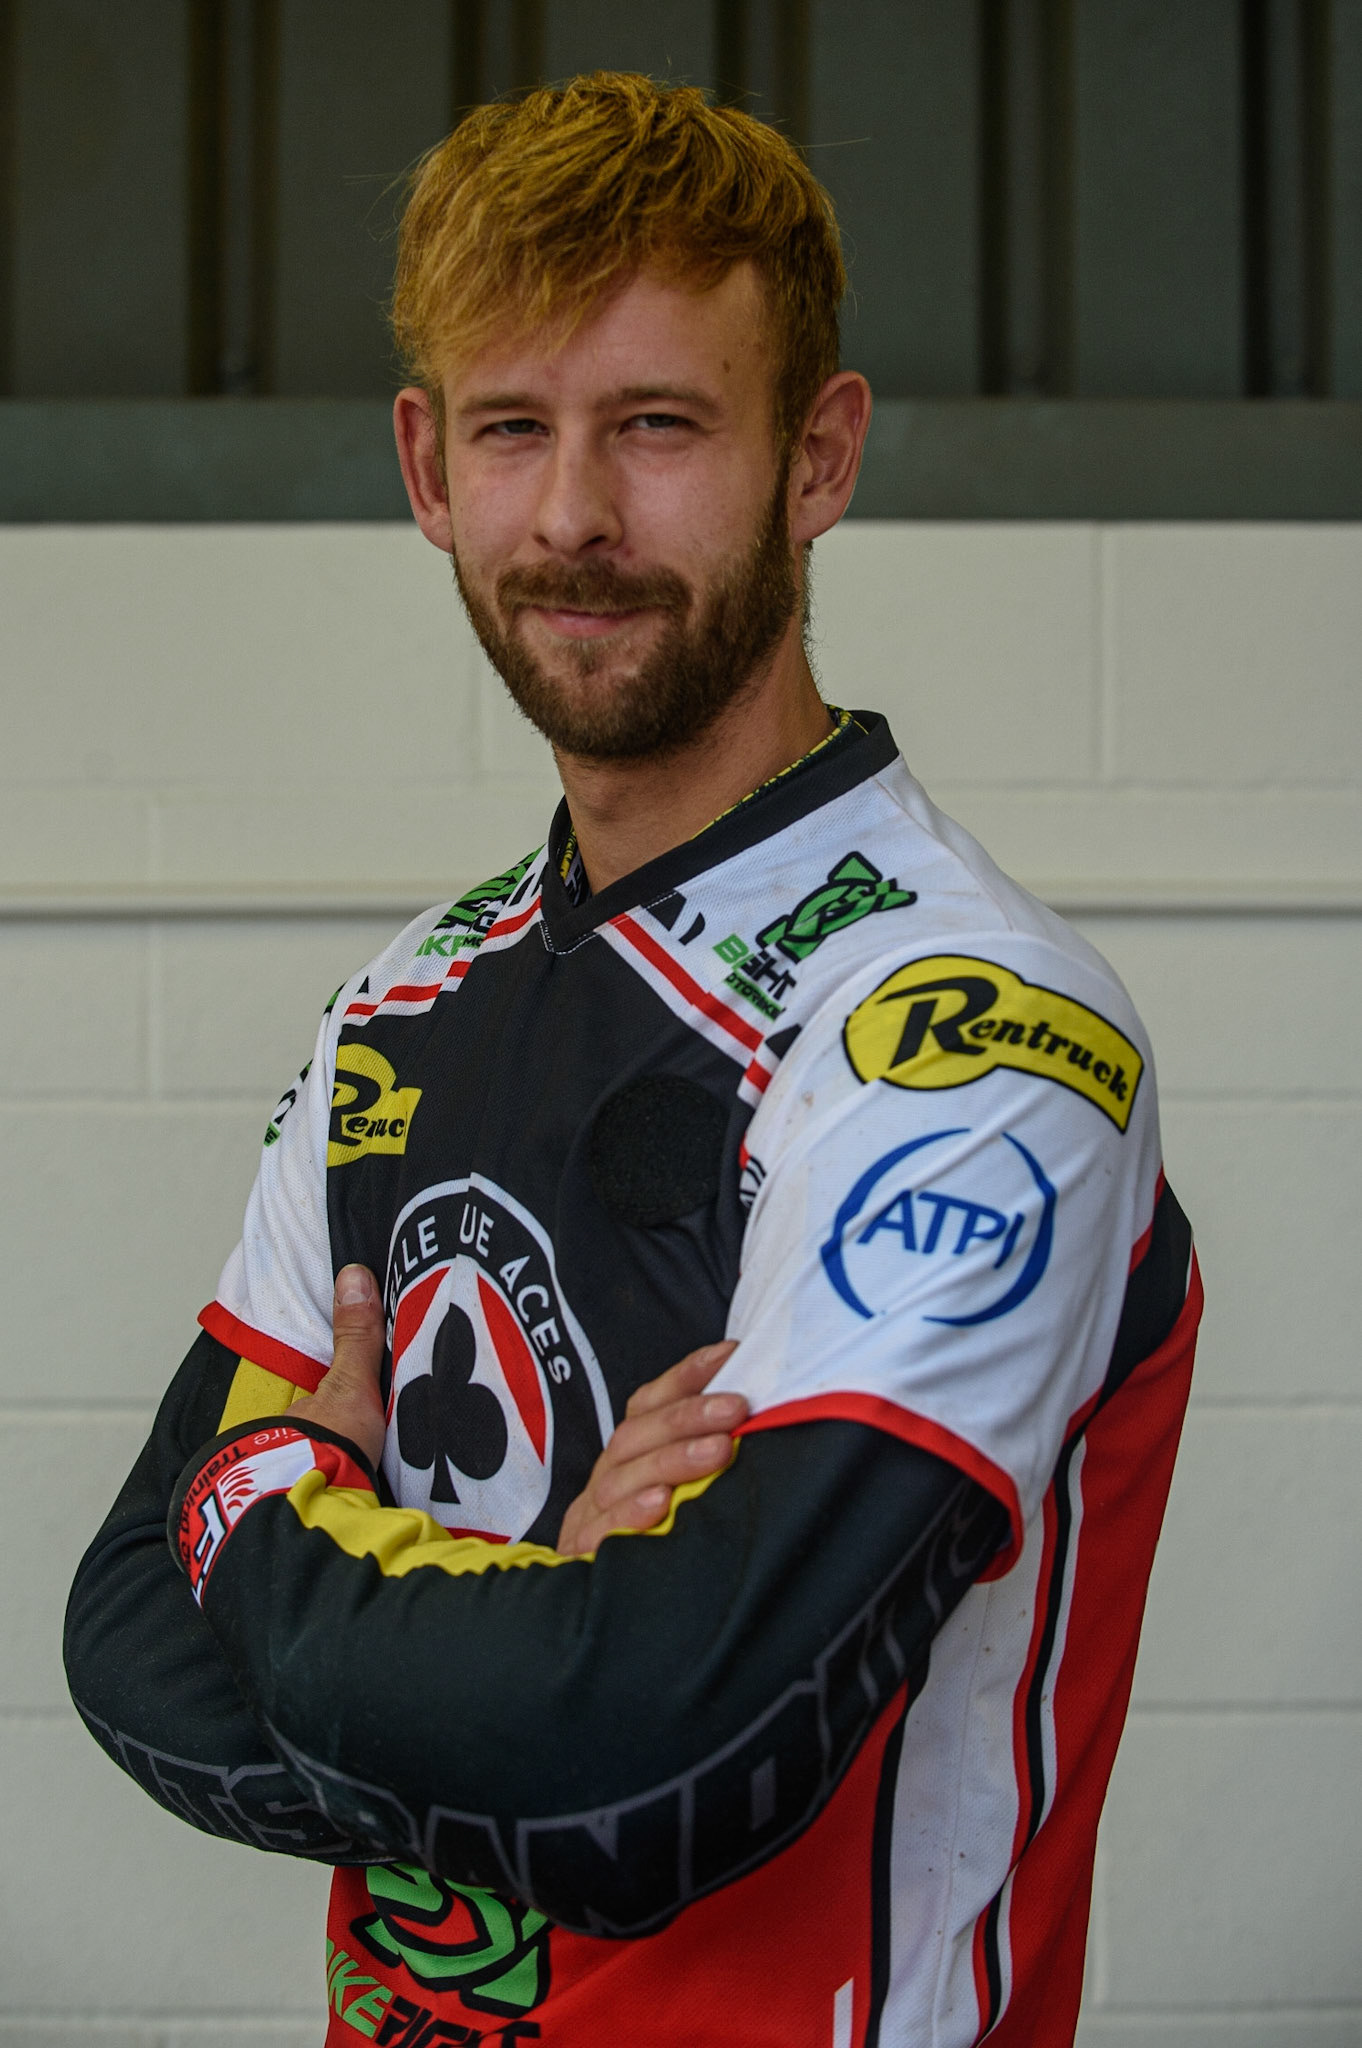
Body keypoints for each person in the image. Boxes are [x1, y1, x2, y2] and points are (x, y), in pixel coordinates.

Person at [65, 73, 1201, 2048]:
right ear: (429, 470)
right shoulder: (399, 1013)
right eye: (516, 430)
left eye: (660, 427)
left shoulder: (969, 1032)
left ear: (817, 455)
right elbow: (131, 1650)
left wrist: (286, 1507)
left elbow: (659, 1756)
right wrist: (540, 1608)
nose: (576, 513)